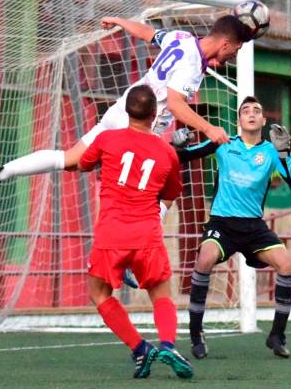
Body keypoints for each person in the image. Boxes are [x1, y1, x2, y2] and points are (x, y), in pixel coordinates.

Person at [0, 14, 253, 200]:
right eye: (236, 49)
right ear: (226, 42)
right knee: (157, 186)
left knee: (71, 161)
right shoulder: (192, 65)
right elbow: (177, 103)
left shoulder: (182, 38)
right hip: (138, 126)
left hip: (123, 108)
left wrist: (121, 21)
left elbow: (148, 33)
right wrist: (208, 128)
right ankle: (134, 252)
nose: (234, 54)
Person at [173, 96, 291, 359]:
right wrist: (176, 144)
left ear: (264, 120)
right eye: (246, 111)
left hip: (254, 227)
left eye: (257, 110)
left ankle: (276, 335)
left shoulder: (270, 152)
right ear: (239, 120)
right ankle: (195, 334)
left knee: (287, 265)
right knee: (204, 260)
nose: (252, 114)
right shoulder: (224, 144)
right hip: (222, 223)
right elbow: (182, 157)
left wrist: (285, 154)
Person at [78, 84, 193, 379]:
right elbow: (170, 193)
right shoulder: (167, 153)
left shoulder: (106, 138)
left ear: (126, 110)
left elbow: (82, 163)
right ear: (155, 114)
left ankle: (140, 348)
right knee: (161, 294)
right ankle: (167, 344)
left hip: (110, 233)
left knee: (100, 294)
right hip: (146, 234)